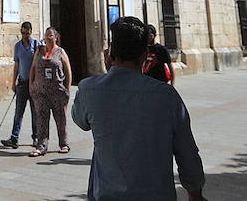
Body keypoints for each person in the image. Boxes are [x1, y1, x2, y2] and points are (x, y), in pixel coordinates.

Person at [72, 17, 207, 201]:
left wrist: (108, 72)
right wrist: (195, 192)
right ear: (145, 54)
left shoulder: (89, 89)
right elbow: (187, 152)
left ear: (111, 51)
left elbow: (80, 120)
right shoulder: (166, 96)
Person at [28, 27, 72, 156]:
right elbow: (33, 68)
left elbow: (68, 71)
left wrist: (67, 89)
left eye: (51, 35)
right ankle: (41, 146)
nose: (48, 37)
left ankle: (63, 144)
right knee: (41, 119)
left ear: (56, 37)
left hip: (57, 91)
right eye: (47, 35)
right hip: (40, 92)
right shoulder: (39, 50)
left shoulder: (60, 52)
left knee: (60, 118)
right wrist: (31, 85)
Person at [0, 21, 41, 149]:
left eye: (27, 33)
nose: (25, 36)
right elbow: (17, 65)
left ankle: (36, 137)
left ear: (31, 32)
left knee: (35, 112)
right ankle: (14, 138)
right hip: (22, 83)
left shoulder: (37, 45)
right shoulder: (18, 46)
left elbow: (40, 64)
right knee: (18, 112)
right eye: (23, 33)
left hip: (34, 84)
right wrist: (13, 82)